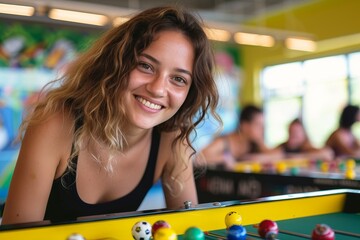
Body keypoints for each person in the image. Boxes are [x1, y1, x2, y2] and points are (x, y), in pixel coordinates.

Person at [1, 6, 220, 225]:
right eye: (145, 66)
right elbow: (17, 236)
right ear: (115, 63)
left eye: (179, 79)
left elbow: (191, 230)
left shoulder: (171, 139)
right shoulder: (56, 124)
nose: (158, 89)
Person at [198, 105, 283, 169]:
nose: (261, 129)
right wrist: (223, 158)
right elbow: (199, 158)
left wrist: (255, 158)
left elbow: (278, 155)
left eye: (262, 126)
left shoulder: (256, 142)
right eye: (258, 125)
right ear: (245, 126)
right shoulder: (224, 142)